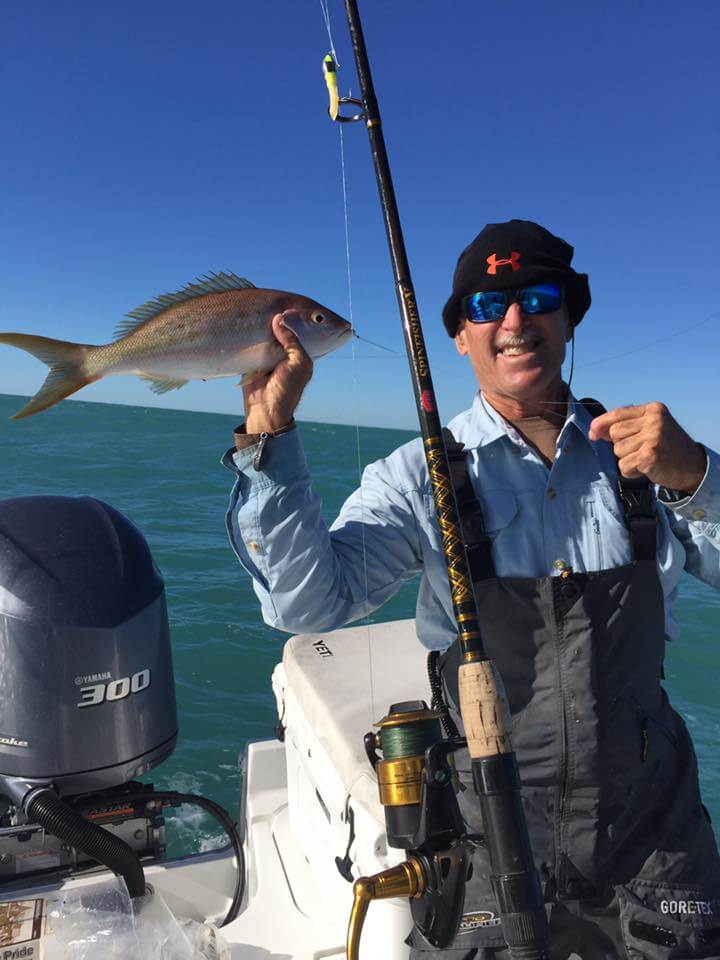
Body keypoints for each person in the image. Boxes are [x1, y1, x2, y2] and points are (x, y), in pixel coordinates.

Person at [223, 220, 720, 959]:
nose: (514, 321)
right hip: (487, 824)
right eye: (487, 306)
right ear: (461, 337)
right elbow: (309, 606)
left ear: (569, 316)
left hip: (653, 827)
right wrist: (268, 438)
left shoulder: (649, 457)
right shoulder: (417, 475)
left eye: (537, 297)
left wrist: (698, 479)